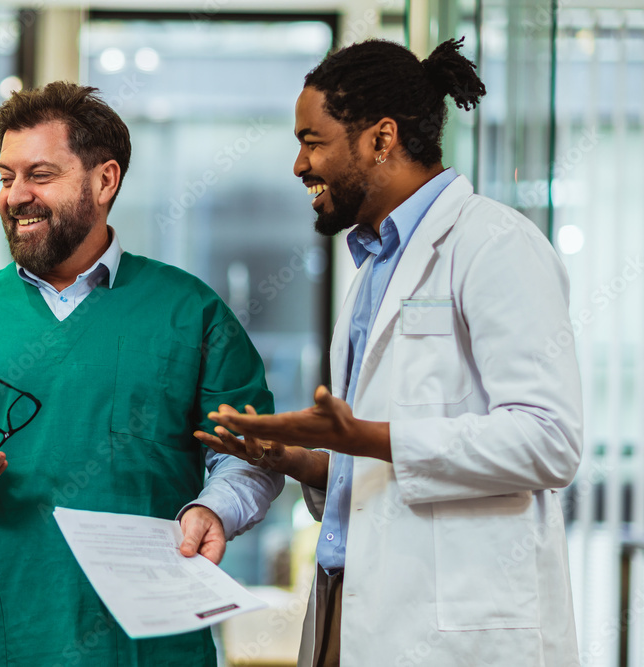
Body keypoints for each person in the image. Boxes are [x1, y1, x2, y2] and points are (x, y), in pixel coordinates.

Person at [0, 81, 283, 666]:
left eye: (40, 175)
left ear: (104, 180)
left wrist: (214, 509)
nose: (16, 196)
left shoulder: (189, 312)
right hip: (0, 638)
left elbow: (252, 454)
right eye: (6, 177)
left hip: (148, 644)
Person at [196, 38, 583, 667]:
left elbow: (550, 441)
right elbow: (384, 464)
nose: (299, 165)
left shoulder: (495, 244)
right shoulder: (374, 266)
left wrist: (366, 436)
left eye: (313, 141)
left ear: (382, 138)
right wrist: (303, 462)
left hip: (454, 630)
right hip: (347, 606)